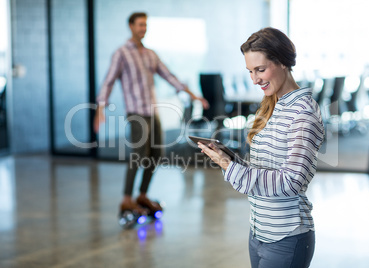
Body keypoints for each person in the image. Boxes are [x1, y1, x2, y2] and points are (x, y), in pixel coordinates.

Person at [198, 27, 324, 268]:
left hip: (287, 236)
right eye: (250, 72)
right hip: (259, 231)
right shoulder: (271, 106)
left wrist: (229, 167)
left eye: (260, 70)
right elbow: (265, 168)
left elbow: (292, 181)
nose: (255, 80)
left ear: (283, 63)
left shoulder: (303, 113)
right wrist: (231, 161)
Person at [94, 12, 209, 216]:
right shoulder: (121, 53)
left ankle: (142, 195)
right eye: (139, 25)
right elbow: (108, 81)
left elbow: (169, 75)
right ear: (130, 26)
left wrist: (193, 95)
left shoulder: (150, 54)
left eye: (145, 25)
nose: (143, 29)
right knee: (139, 155)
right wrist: (100, 108)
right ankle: (126, 199)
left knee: (157, 155)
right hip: (136, 113)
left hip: (152, 111)